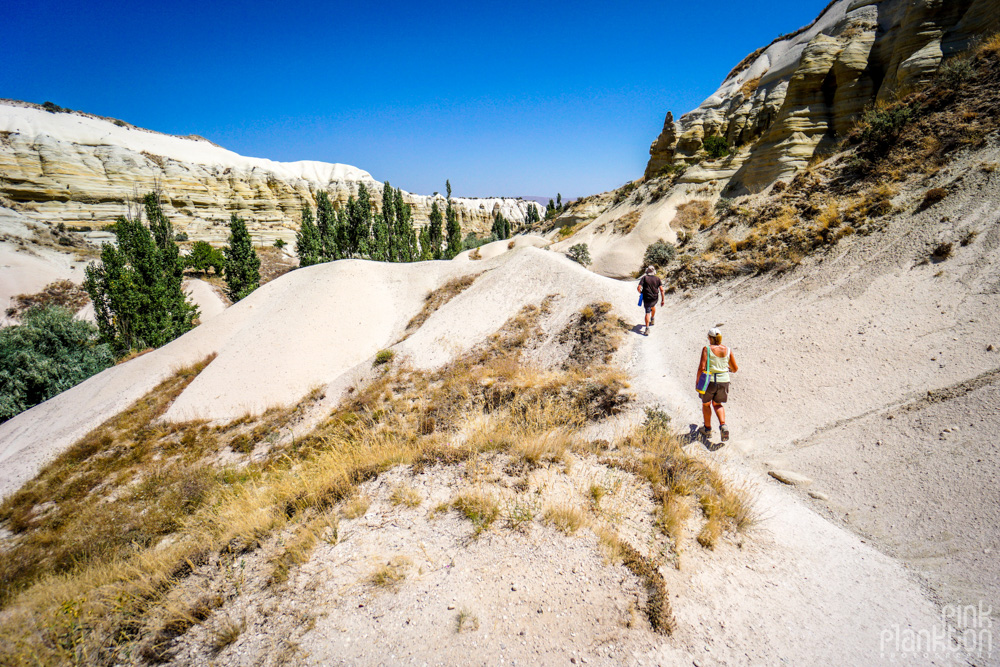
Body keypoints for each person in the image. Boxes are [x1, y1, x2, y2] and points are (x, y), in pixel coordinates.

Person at [696, 327, 738, 442]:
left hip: (710, 381)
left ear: (710, 338)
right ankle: (723, 425)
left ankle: (707, 429)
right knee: (718, 404)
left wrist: (697, 381)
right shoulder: (727, 350)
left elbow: (702, 367)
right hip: (724, 381)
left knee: (706, 404)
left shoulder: (707, 349)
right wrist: (726, 369)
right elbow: (735, 368)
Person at [637, 266, 664, 336]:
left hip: (647, 298)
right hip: (655, 298)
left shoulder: (644, 278)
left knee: (647, 312)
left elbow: (638, 288)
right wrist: (663, 300)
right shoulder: (657, 279)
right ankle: (652, 319)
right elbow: (661, 290)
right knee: (653, 306)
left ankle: (647, 328)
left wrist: (641, 292)